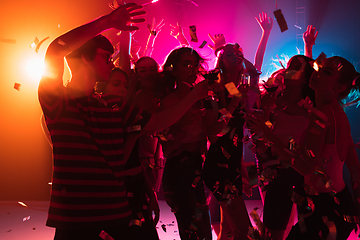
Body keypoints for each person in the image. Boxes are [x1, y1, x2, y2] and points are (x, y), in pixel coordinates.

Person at [38, 3, 211, 239]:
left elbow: (158, 122)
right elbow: (55, 50)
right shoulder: (58, 101)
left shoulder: (113, 106)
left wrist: (193, 96)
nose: (111, 63)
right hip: (74, 218)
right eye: (106, 57)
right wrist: (106, 22)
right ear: (84, 58)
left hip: (116, 213)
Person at [246, 56, 360, 239]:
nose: (318, 74)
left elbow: (304, 166)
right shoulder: (335, 112)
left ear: (339, 88)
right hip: (335, 202)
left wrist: (268, 135)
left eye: (327, 72)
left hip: (326, 208)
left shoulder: (321, 114)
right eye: (319, 68)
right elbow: (354, 167)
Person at [202, 12, 273, 240]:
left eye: (238, 54)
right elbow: (216, 132)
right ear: (221, 60)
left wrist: (265, 34)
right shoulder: (215, 91)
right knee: (243, 230)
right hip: (218, 167)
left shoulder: (235, 90)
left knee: (229, 231)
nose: (235, 57)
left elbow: (254, 70)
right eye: (229, 55)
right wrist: (233, 103)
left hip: (233, 164)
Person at [160, 47, 221, 240]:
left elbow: (214, 132)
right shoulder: (170, 101)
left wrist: (230, 103)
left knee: (203, 227)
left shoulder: (203, 97)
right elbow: (164, 142)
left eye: (195, 64)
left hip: (198, 165)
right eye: (186, 64)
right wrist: (180, 129)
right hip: (179, 168)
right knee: (193, 230)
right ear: (174, 69)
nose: (192, 69)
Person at [256, 55, 315, 240]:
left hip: (302, 169)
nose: (290, 70)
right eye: (290, 66)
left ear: (306, 77)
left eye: (296, 67)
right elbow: (267, 129)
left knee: (307, 226)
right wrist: (266, 113)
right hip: (278, 167)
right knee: (274, 227)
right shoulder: (276, 98)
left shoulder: (312, 102)